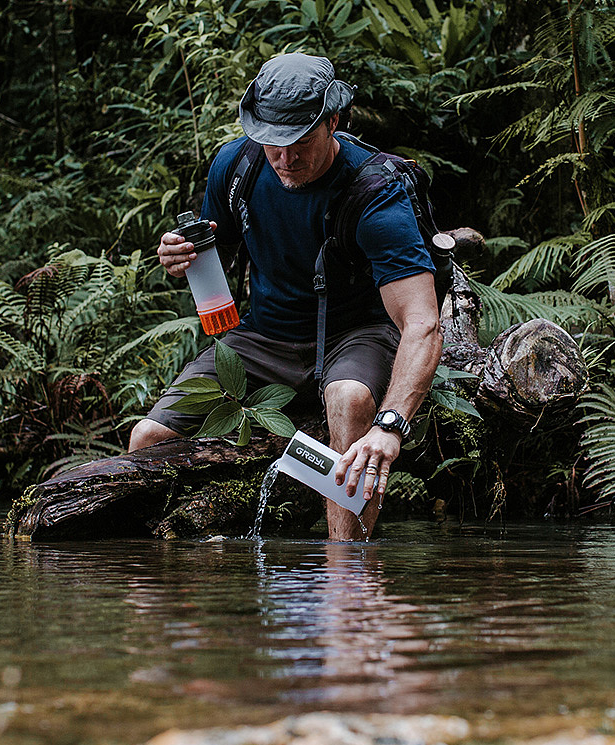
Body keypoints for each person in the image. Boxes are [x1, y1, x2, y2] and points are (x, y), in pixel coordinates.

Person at [128, 53, 442, 541]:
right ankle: (154, 585)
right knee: (147, 437)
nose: (285, 159)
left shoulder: (376, 193)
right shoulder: (238, 166)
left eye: (300, 142)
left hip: (355, 332)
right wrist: (179, 254)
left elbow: (422, 323)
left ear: (332, 121)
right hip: (264, 336)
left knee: (349, 398)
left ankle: (347, 575)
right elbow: (215, 241)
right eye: (273, 143)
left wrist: (391, 424)